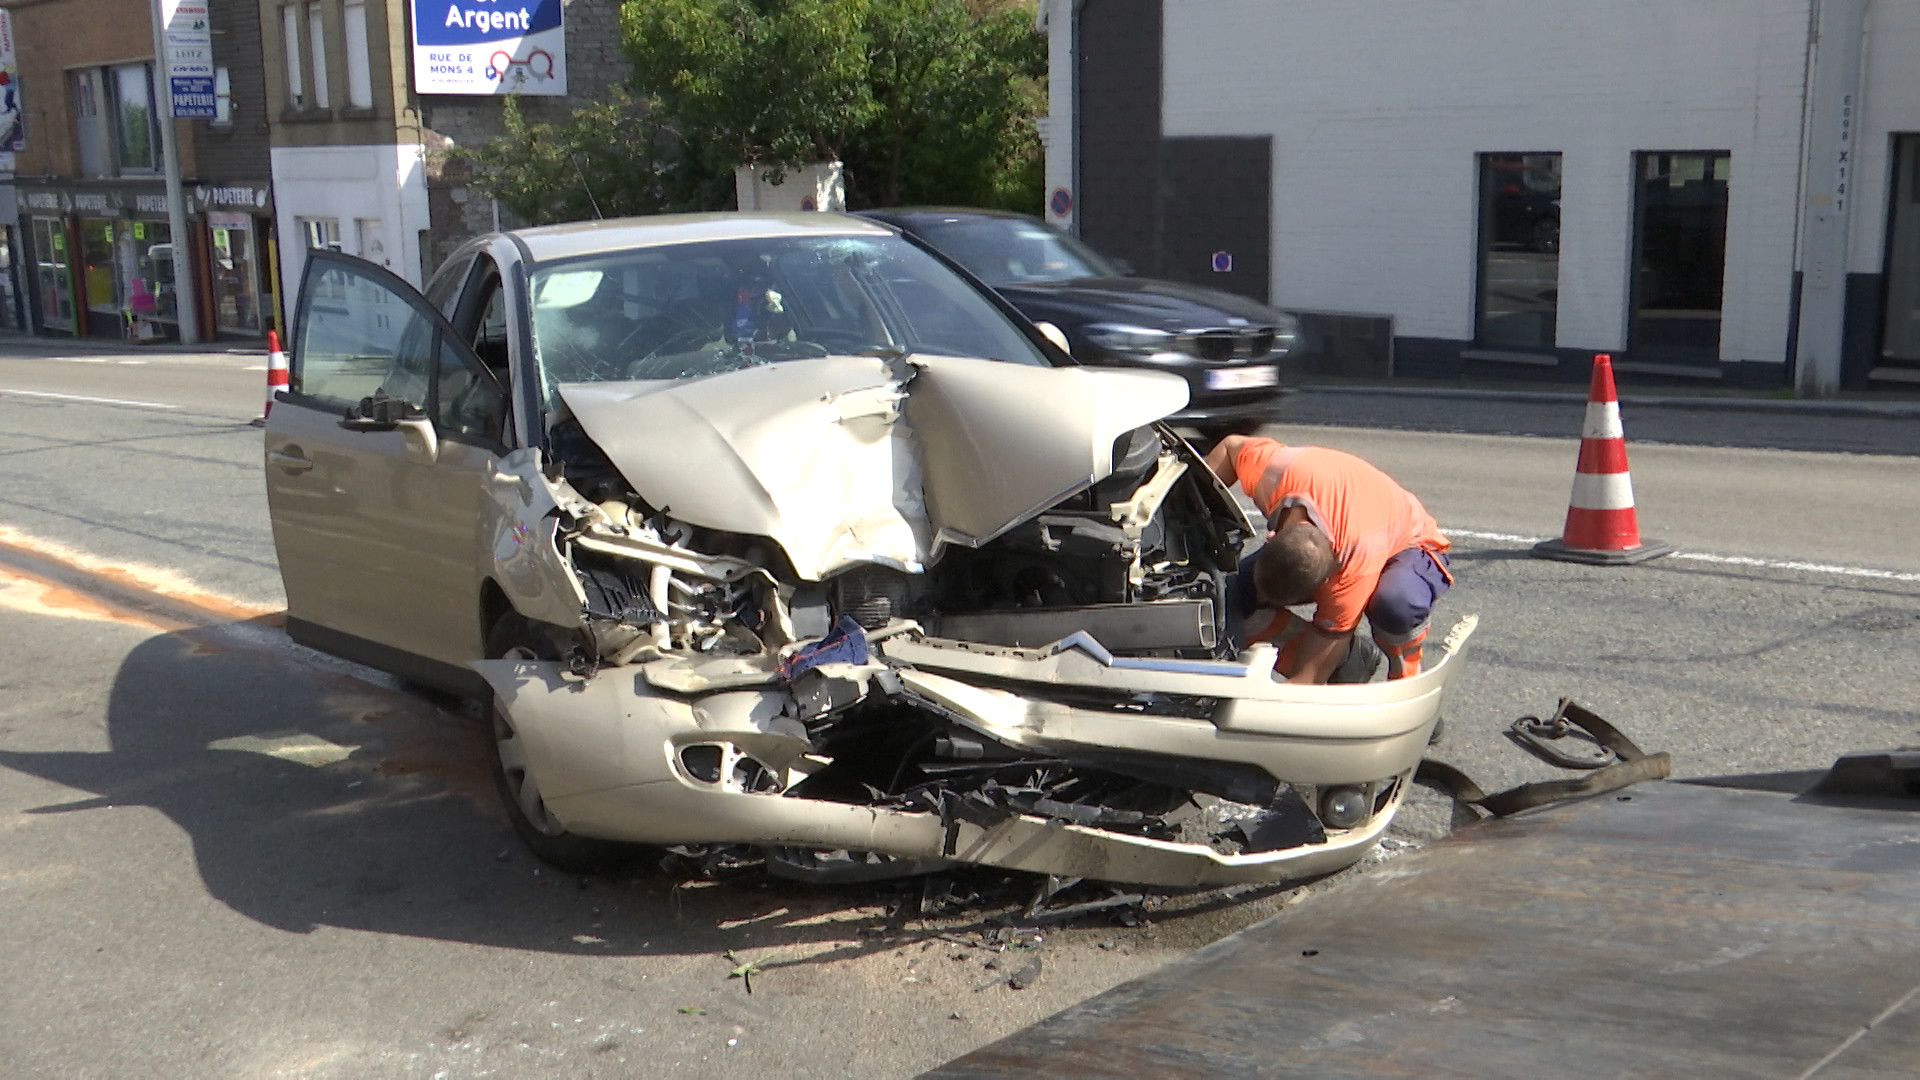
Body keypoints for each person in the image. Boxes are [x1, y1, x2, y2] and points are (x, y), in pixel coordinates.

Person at [1203, 435, 1452, 683]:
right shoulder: (1277, 470)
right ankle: (1349, 663)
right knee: (1231, 598)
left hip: (1410, 546)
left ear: (1326, 583)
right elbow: (1230, 448)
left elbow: (1311, 675)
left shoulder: (1352, 568)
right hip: (1351, 529)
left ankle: (1406, 678)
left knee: (1395, 603)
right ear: (1272, 537)